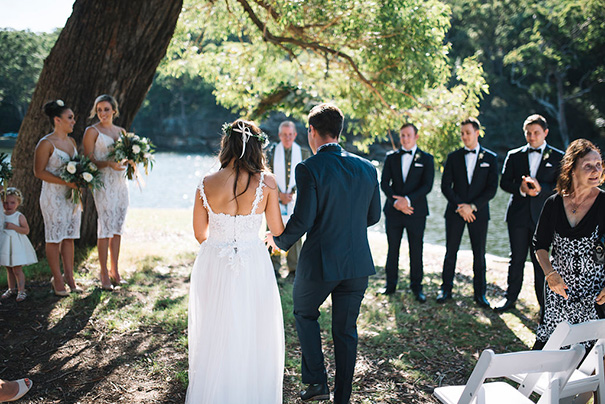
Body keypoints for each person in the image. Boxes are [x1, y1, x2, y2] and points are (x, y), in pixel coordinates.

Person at [269, 103, 381, 404]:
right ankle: (342, 397)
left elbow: (303, 219)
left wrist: (278, 240)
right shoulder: (367, 168)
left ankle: (317, 382)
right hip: (357, 263)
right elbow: (373, 216)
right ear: (339, 131)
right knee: (346, 331)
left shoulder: (309, 168)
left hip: (320, 262)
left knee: (304, 313)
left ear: (312, 132)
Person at [186, 119, 285, 403]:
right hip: (253, 261)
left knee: (216, 328)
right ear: (256, 147)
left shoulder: (206, 182)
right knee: (253, 327)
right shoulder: (267, 182)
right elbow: (277, 230)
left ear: (227, 144)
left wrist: (222, 243)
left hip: (214, 261)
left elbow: (200, 233)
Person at [532, 139, 605, 349]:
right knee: (548, 354)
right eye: (588, 165)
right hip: (559, 294)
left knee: (592, 359)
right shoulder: (553, 203)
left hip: (596, 297)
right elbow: (539, 244)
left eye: (599, 164)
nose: (596, 170)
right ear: (572, 169)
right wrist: (549, 274)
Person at [495, 114, 564, 313]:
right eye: (528, 133)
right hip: (517, 216)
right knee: (516, 259)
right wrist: (521, 188)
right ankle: (510, 299)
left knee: (540, 262)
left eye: (536, 132)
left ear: (545, 132)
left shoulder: (559, 156)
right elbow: (504, 183)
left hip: (543, 218)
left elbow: (563, 187)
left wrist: (542, 189)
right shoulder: (514, 155)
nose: (532, 136)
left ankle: (544, 306)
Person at [437, 118, 498, 308]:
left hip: (478, 212)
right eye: (462, 133)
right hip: (455, 211)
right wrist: (461, 206)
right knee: (450, 252)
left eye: (468, 133)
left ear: (477, 133)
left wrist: (472, 206)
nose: (464, 136)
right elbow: (445, 186)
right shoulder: (453, 157)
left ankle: (480, 294)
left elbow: (491, 189)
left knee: (479, 254)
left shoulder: (490, 158)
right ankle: (446, 289)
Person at [379, 123, 434, 302]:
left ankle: (417, 288)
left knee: (416, 250)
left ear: (416, 136)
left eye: (408, 135)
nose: (405, 138)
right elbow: (384, 183)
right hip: (394, 211)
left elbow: (427, 185)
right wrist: (396, 202)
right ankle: (390, 285)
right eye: (402, 135)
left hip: (415, 212)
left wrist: (407, 200)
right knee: (392, 249)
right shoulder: (391, 157)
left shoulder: (426, 159)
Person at [34, 99, 82, 296]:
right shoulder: (46, 143)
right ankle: (57, 279)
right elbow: (39, 172)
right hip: (53, 197)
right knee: (54, 238)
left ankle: (70, 278)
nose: (73, 121)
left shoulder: (71, 142)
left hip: (71, 197)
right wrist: (66, 182)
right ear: (57, 120)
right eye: (70, 118)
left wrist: (80, 180)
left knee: (69, 237)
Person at [83, 95, 129, 290]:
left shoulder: (121, 132)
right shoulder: (92, 131)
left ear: (114, 111)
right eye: (99, 109)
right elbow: (88, 160)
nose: (102, 113)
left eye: (106, 109)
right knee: (105, 227)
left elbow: (126, 155)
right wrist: (109, 164)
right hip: (103, 184)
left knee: (117, 226)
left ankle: (115, 271)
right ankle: (103, 273)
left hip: (120, 183)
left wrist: (130, 161)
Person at [265, 120, 311, 277]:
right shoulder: (271, 153)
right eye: (284, 135)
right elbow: (266, 176)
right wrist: (279, 195)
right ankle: (274, 268)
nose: (287, 138)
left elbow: (306, 178)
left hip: (294, 200)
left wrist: (291, 194)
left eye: (290, 134)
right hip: (274, 200)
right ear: (279, 135)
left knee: (295, 232)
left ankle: (294, 269)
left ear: (295, 135)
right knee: (273, 231)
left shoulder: (303, 153)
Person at [0, 188, 38, 302]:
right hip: (5, 244)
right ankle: (11, 289)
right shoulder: (1, 215)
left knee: (17, 269)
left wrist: (14, 227)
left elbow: (26, 230)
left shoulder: (19, 216)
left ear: (18, 202)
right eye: (6, 203)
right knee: (8, 268)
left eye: (12, 202)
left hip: (16, 245)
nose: (9, 205)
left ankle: (21, 290)